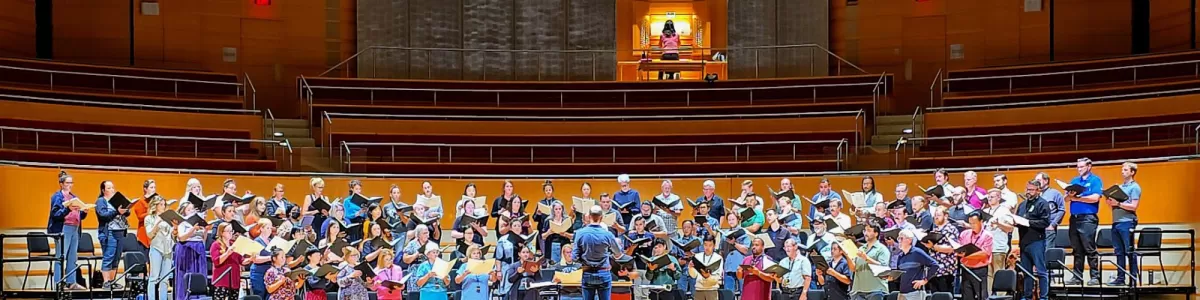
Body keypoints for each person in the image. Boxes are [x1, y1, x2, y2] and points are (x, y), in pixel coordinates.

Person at [573, 205, 627, 300]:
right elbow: (618, 253)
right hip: (604, 272)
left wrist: (583, 259)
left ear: (589, 217)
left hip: (587, 272)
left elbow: (574, 257)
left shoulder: (580, 233)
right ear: (601, 218)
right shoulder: (608, 234)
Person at [1065, 157, 1103, 286]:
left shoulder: (1095, 180)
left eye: (1081, 167)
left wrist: (1078, 198)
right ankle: (1077, 276)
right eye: (1078, 167)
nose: (1079, 169)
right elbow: (1066, 198)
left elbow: (1095, 198)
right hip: (1074, 218)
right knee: (1076, 249)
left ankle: (1095, 276)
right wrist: (1070, 196)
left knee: (1089, 248)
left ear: (1089, 166)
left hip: (1088, 218)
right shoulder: (1075, 181)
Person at [47, 171, 88, 291]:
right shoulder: (57, 196)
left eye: (71, 183)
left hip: (75, 228)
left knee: (72, 257)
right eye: (67, 183)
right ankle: (58, 283)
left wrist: (83, 212)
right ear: (61, 184)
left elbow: (78, 214)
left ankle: (71, 282)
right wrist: (67, 209)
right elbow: (55, 214)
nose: (70, 185)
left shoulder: (74, 197)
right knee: (61, 256)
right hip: (63, 228)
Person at [1016, 179, 1052, 300]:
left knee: (1041, 272)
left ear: (1038, 190)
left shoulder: (1043, 204)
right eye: (1027, 189)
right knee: (1026, 272)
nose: (1028, 192)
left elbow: (1045, 222)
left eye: (1031, 190)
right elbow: (1017, 219)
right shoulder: (1022, 205)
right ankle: (1027, 296)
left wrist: (1028, 222)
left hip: (1037, 241)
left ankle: (1043, 297)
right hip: (1024, 242)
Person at [1109, 161, 1142, 286]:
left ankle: (1133, 279)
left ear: (1132, 172)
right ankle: (1120, 278)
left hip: (1127, 222)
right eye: (1122, 170)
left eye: (1126, 170)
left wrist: (1118, 204)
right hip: (1116, 221)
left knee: (1129, 251)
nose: (1123, 172)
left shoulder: (1135, 187)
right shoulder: (1120, 188)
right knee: (1119, 252)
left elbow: (1134, 206)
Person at [95, 180, 129, 290]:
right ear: (103, 190)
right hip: (109, 232)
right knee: (108, 256)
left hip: (120, 231)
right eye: (109, 188)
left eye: (112, 187)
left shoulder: (116, 200)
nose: (112, 190)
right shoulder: (101, 201)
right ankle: (106, 282)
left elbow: (127, 213)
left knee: (117, 258)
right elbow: (103, 215)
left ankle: (112, 280)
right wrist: (117, 211)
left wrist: (126, 209)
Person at [173, 201, 208, 300]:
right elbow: (182, 238)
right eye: (189, 209)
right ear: (183, 212)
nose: (191, 211)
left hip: (199, 248)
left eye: (192, 209)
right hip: (187, 249)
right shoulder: (182, 223)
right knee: (188, 275)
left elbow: (203, 239)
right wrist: (193, 229)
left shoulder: (198, 221)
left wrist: (205, 230)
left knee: (199, 273)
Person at [955, 211, 994, 300]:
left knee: (981, 296)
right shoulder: (964, 234)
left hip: (979, 270)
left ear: (981, 222)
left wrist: (965, 255)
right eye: (970, 223)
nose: (972, 225)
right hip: (966, 269)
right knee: (967, 296)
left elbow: (984, 253)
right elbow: (958, 247)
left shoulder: (987, 236)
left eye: (974, 223)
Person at [983, 189, 1015, 291]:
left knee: (999, 273)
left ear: (998, 198)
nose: (989, 199)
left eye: (992, 197)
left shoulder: (1004, 211)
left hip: (998, 247)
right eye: (988, 197)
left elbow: (1010, 228)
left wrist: (998, 224)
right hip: (986, 248)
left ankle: (1001, 296)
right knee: (988, 275)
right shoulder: (985, 211)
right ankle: (990, 295)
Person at [847, 222, 889, 300]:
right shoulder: (861, 249)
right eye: (865, 231)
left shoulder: (882, 249)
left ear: (876, 233)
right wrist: (847, 256)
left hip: (875, 290)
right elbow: (853, 268)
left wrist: (866, 258)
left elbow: (883, 268)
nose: (865, 233)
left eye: (869, 231)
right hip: (858, 290)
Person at [144, 197, 176, 300]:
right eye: (161, 204)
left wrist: (175, 228)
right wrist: (158, 222)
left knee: (165, 278)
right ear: (155, 205)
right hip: (156, 248)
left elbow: (172, 234)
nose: (163, 207)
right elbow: (149, 234)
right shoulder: (149, 218)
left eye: (164, 204)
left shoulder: (168, 218)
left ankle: (163, 298)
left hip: (168, 249)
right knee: (154, 277)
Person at [211, 223, 252, 300]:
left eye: (231, 231)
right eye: (228, 231)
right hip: (222, 280)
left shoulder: (234, 244)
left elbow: (242, 261)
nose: (231, 233)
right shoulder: (216, 245)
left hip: (234, 280)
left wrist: (251, 259)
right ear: (222, 233)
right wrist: (227, 253)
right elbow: (216, 261)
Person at [894, 229, 939, 300]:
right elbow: (899, 275)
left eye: (901, 238)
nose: (899, 241)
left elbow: (935, 265)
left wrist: (925, 280)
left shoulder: (917, 252)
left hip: (915, 292)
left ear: (909, 240)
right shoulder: (900, 256)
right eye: (898, 238)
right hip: (902, 293)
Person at [721, 213, 752, 295]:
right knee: (728, 292)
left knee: (744, 291)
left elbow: (746, 250)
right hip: (728, 265)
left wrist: (734, 243)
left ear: (738, 219)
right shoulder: (725, 234)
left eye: (733, 219)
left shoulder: (744, 232)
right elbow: (722, 251)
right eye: (729, 220)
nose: (731, 221)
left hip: (741, 265)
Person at [1034, 172, 1066, 248]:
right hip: (1036, 230)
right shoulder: (1035, 194)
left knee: (1047, 252)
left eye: (1038, 180)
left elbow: (1062, 210)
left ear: (1046, 181)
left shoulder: (1055, 193)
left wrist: (1053, 225)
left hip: (1048, 229)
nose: (1036, 182)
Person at [250, 218, 277, 297]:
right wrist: (270, 258)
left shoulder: (272, 241)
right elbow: (255, 259)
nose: (270, 230)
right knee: (260, 295)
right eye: (267, 228)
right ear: (261, 228)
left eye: (271, 228)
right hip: (259, 273)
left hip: (270, 273)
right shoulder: (256, 241)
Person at [691, 235, 723, 300]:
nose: (707, 247)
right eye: (705, 245)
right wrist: (690, 268)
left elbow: (718, 276)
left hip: (712, 289)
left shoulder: (718, 258)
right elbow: (694, 275)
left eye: (710, 245)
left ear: (714, 246)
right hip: (699, 289)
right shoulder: (697, 256)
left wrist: (708, 277)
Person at [133, 180, 155, 253]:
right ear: (145, 189)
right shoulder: (140, 201)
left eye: (154, 187)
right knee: (145, 257)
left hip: (154, 231)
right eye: (151, 187)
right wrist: (149, 212)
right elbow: (140, 217)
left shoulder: (156, 200)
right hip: (144, 232)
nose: (154, 189)